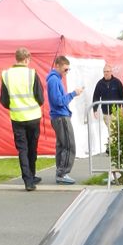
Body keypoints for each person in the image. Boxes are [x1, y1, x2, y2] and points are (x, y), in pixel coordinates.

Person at [0, 47, 44, 191]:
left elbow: (4, 100)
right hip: (33, 116)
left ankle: (28, 179)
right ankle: (32, 174)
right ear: (26, 59)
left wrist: (14, 106)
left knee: (22, 149)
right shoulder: (32, 73)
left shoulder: (6, 75)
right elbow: (40, 96)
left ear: (16, 58)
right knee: (33, 148)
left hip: (17, 117)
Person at [46, 55, 83, 185]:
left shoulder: (55, 79)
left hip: (58, 116)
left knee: (62, 145)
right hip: (61, 116)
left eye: (68, 70)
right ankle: (62, 173)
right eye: (65, 69)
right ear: (57, 66)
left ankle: (61, 172)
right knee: (68, 145)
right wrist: (73, 94)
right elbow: (58, 101)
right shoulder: (54, 81)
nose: (66, 72)